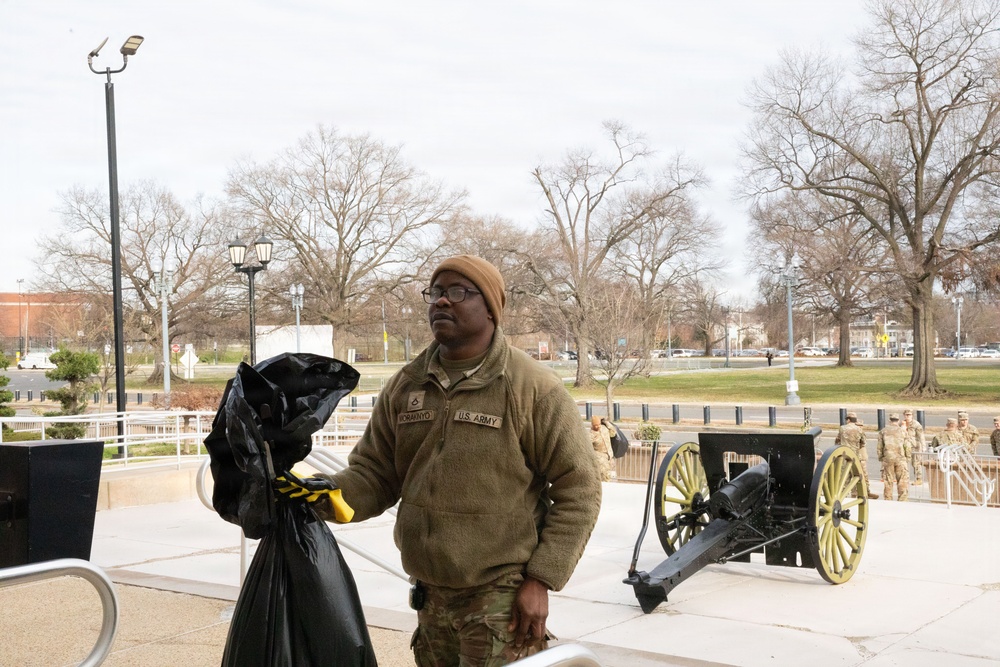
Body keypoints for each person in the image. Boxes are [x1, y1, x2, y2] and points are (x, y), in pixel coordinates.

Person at [282, 255, 601, 666]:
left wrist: (541, 579)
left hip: (501, 596)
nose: (441, 303)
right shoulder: (407, 384)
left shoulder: (532, 388)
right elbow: (375, 473)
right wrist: (324, 495)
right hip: (429, 596)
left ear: (489, 306)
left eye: (456, 292)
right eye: (434, 293)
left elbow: (581, 488)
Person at [834, 411, 878, 499]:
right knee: (857, 477)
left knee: (843, 478)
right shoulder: (859, 429)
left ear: (848, 420)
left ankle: (842, 497)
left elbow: (837, 441)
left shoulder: (842, 428)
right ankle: (858, 494)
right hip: (855, 456)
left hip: (844, 455)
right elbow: (863, 442)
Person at [878, 413, 911, 501]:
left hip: (888, 457)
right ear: (898, 421)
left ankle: (888, 499)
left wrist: (881, 457)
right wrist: (908, 457)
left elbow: (880, 446)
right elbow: (907, 446)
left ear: (889, 420)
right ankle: (902, 499)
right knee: (902, 480)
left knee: (888, 480)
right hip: (900, 458)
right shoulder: (903, 431)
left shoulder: (883, 431)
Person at [901, 409, 926, 486]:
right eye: (906, 415)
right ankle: (904, 478)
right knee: (903, 463)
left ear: (912, 416)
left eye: (909, 415)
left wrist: (923, 446)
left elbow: (921, 436)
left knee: (916, 463)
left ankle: (919, 479)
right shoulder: (902, 424)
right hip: (905, 446)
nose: (907, 416)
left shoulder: (916, 425)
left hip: (915, 446)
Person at [590, 416, 615, 481]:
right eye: (595, 425)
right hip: (600, 459)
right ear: (592, 425)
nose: (597, 427)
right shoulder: (591, 435)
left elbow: (613, 433)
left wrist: (606, 423)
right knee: (604, 478)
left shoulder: (604, 429)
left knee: (609, 476)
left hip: (609, 457)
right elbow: (588, 448)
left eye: (598, 425)